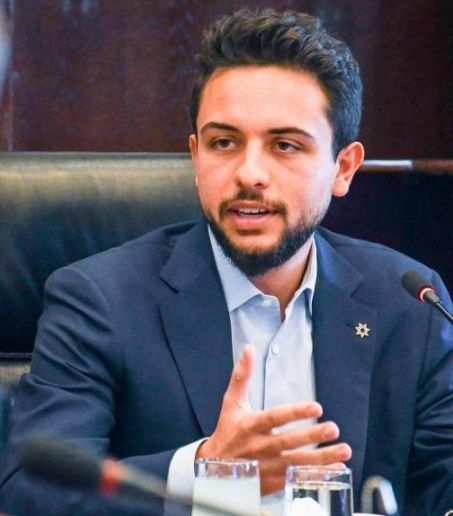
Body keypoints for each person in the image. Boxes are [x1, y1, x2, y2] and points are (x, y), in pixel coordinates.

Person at [1, 8, 453, 516]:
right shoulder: (100, 299)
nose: (249, 173)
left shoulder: (410, 302)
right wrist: (206, 470)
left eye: (285, 145)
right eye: (224, 143)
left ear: (343, 168)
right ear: (196, 157)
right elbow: (29, 492)